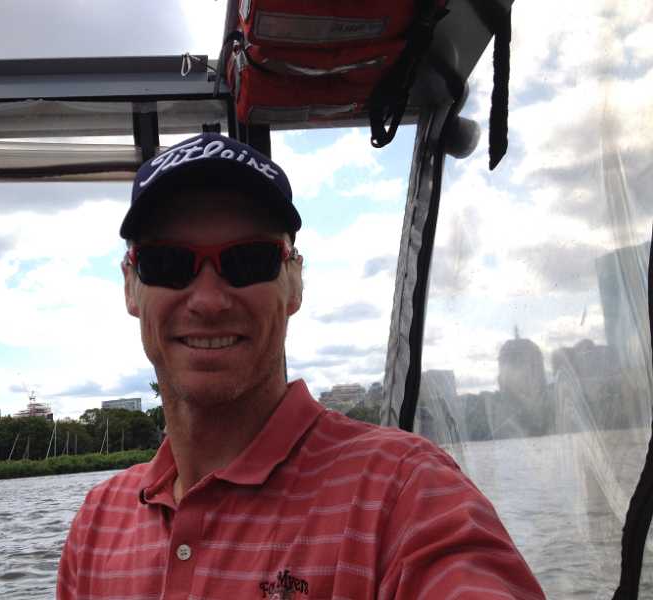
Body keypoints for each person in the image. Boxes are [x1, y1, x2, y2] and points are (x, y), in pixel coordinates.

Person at [57, 132, 545, 600]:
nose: (207, 300)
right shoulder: (98, 524)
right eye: (166, 263)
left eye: (249, 261)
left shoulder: (405, 493)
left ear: (294, 283)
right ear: (130, 286)